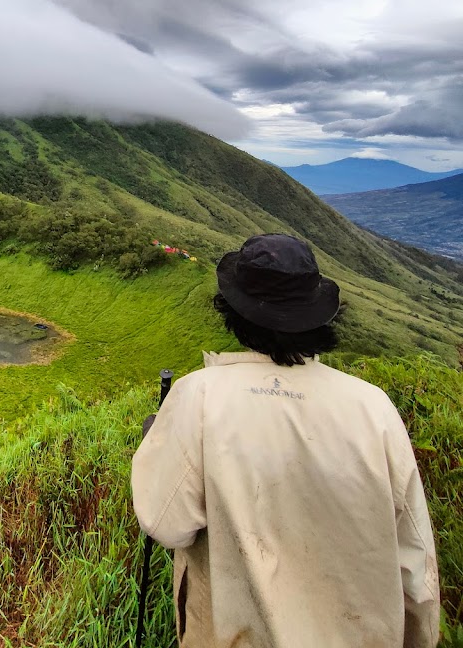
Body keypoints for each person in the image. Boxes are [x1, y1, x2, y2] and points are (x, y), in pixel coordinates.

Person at [131, 232, 440, 648]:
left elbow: (164, 524)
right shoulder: (374, 408)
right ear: (316, 316)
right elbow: (416, 558)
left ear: (233, 313)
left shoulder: (198, 396)